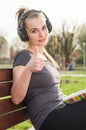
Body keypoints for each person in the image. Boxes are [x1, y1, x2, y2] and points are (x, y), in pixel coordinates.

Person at [11, 7, 86, 130]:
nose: (42, 34)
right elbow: (16, 98)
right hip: (48, 117)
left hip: (60, 107)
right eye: (34, 31)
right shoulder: (24, 56)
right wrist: (28, 69)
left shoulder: (44, 56)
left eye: (44, 27)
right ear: (24, 35)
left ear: (48, 26)